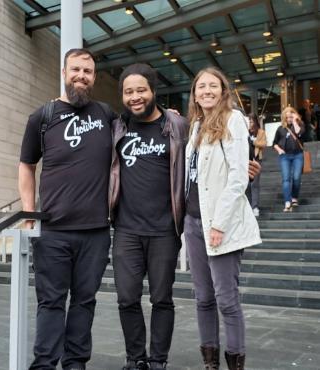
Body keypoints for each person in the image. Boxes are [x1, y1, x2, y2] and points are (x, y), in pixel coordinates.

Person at [19, 48, 116, 370]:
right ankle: (44, 364)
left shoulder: (106, 115)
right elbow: (26, 165)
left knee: (85, 302)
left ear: (93, 78)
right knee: (51, 302)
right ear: (64, 73)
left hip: (96, 231)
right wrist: (29, 213)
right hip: (53, 230)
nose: (81, 76)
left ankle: (75, 364)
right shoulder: (42, 117)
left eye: (87, 72)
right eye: (76, 69)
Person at [109, 63, 189, 370]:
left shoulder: (177, 126)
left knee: (161, 299)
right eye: (128, 92)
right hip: (126, 229)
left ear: (153, 91)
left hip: (164, 230)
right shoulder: (117, 127)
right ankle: (135, 359)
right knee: (126, 299)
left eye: (141, 90)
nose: (135, 97)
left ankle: (158, 360)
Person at [183, 67, 261, 370]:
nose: (206, 91)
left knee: (226, 300)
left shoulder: (233, 121)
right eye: (200, 87)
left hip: (219, 225)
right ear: (195, 93)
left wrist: (219, 223)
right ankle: (211, 363)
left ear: (223, 90)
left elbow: (238, 176)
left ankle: (235, 363)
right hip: (193, 223)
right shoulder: (197, 125)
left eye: (212, 86)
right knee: (203, 298)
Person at [273, 106, 305, 212]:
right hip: (285, 156)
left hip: (298, 155)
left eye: (291, 117)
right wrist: (279, 150)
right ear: (284, 118)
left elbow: (299, 133)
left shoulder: (300, 125)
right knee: (286, 179)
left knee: (296, 177)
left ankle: (294, 197)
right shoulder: (280, 128)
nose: (289, 119)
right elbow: (274, 143)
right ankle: (287, 201)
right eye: (287, 118)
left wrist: (296, 121)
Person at [247, 113, 267, 217]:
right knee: (247, 185)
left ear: (255, 121)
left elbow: (263, 144)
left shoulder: (260, 132)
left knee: (254, 184)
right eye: (248, 121)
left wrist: (254, 142)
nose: (250, 123)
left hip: (256, 160)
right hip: (245, 160)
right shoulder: (244, 131)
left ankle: (255, 207)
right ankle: (248, 206)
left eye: (251, 121)